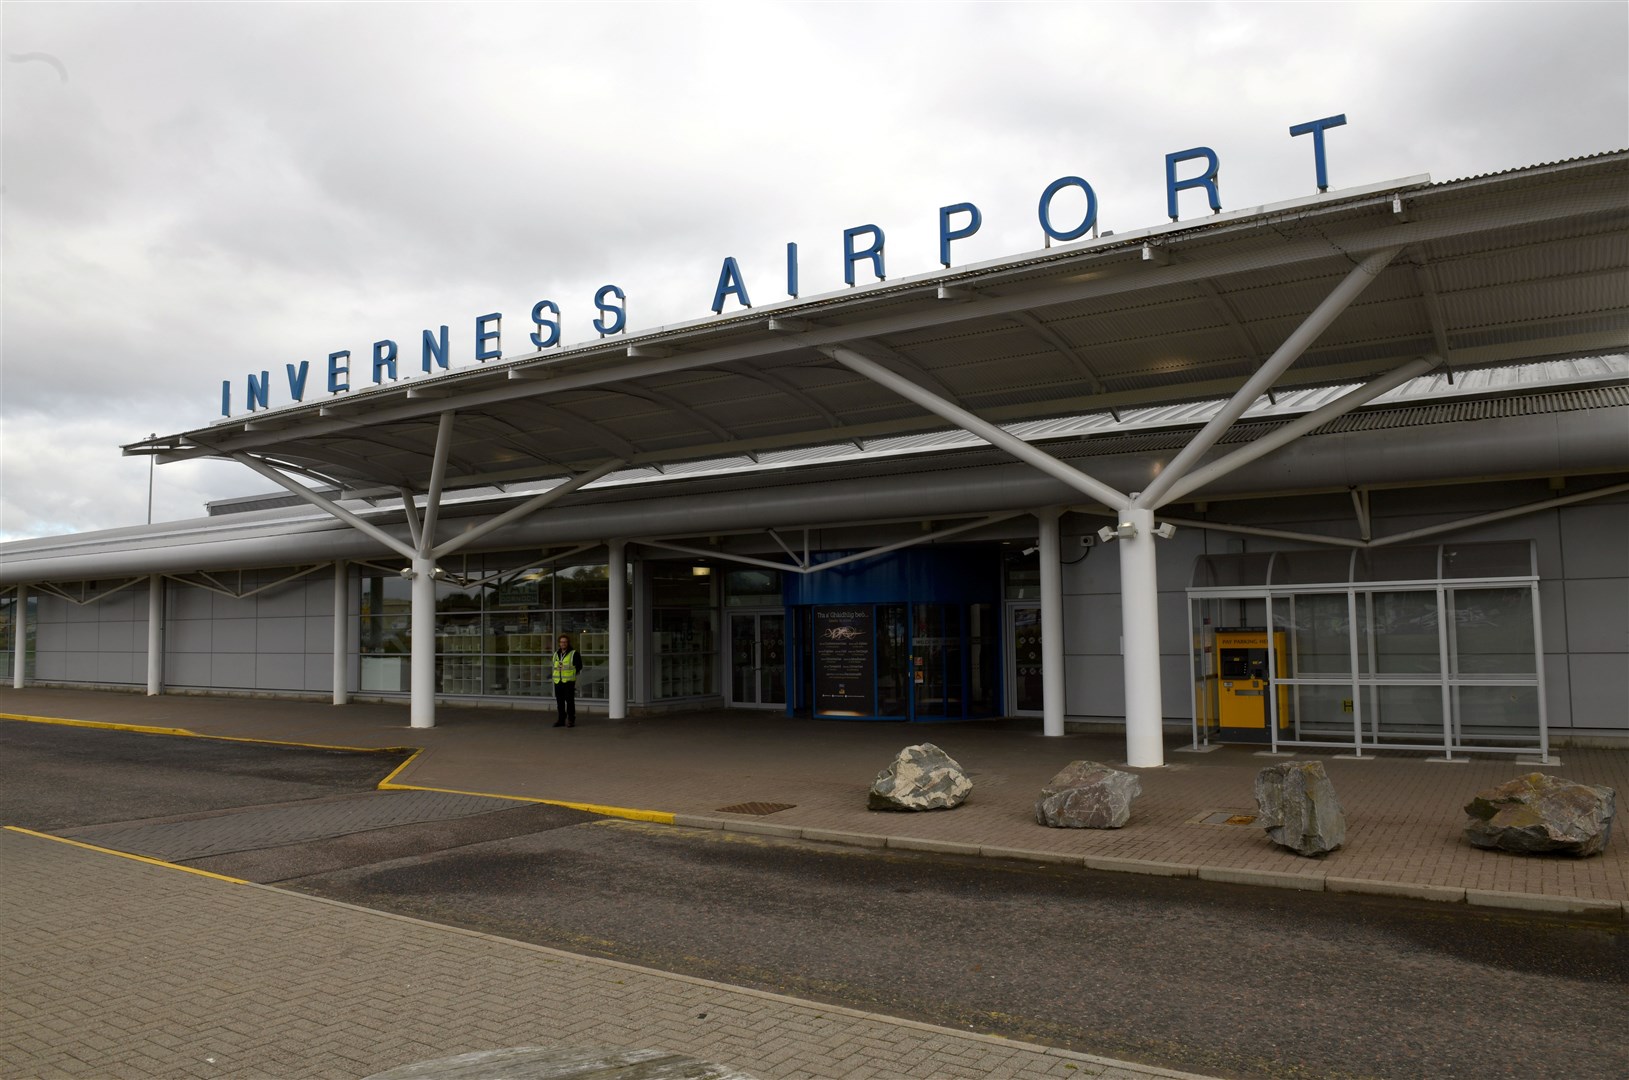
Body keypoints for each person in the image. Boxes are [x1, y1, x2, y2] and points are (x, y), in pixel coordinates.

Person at [551, 633, 582, 727]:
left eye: (565, 642)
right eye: (561, 642)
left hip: (568, 681)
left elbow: (579, 666)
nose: (563, 644)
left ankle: (571, 720)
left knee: (569, 702)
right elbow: (554, 666)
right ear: (559, 643)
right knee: (559, 702)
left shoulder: (574, 653)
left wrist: (571, 673)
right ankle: (561, 720)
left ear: (568, 643)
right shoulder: (556, 654)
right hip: (558, 681)